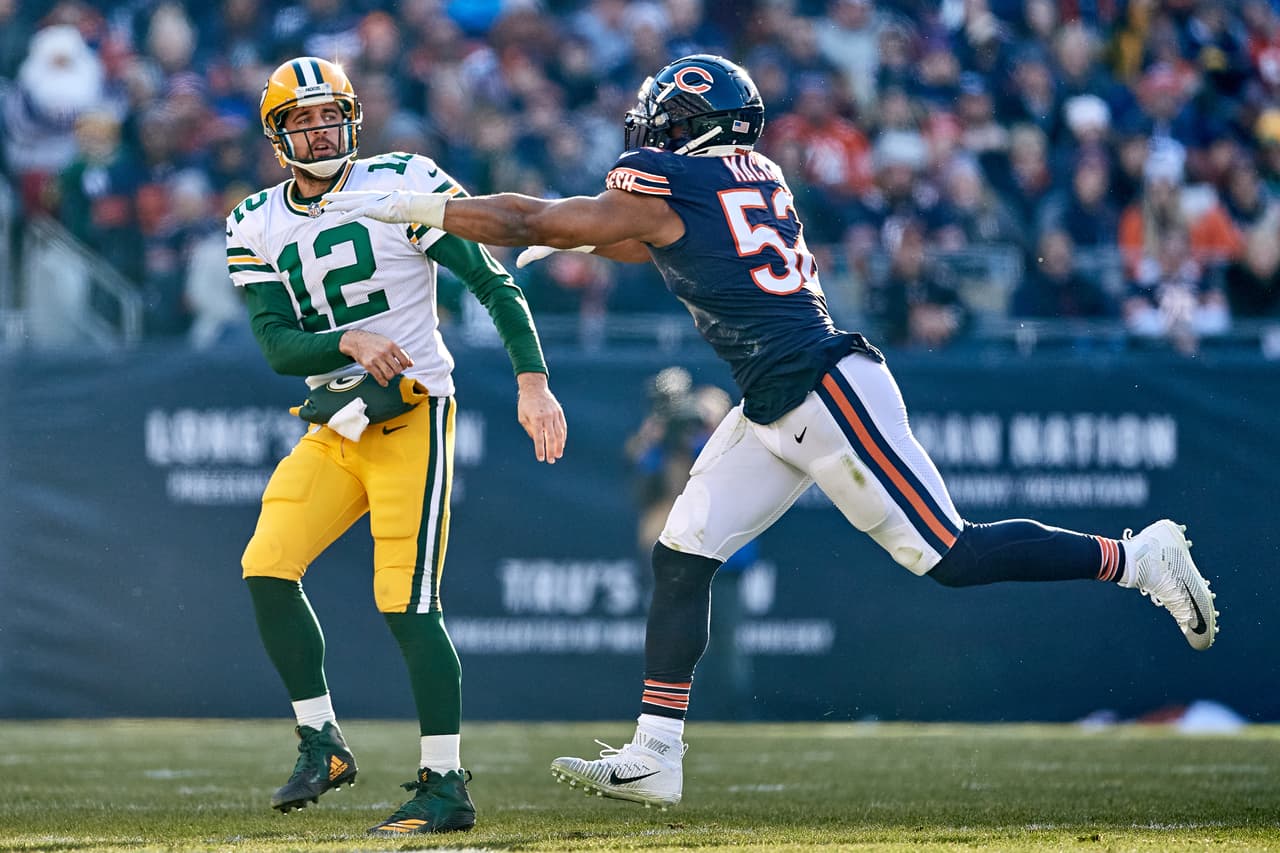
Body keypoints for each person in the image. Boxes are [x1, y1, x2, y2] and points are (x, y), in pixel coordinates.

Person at [322, 54, 1219, 810]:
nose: (649, 131)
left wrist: (421, 209)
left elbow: (529, 219)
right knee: (684, 550)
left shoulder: (672, 178)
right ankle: (656, 752)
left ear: (689, 125)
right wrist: (578, 239)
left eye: (663, 119)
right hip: (769, 401)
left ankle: (1137, 556)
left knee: (949, 551)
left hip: (828, 390)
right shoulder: (750, 175)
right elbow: (649, 238)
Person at [226, 57, 566, 836]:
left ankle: (446, 784)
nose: (319, 129)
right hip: (340, 420)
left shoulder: (401, 183)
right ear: (278, 133)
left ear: (351, 116)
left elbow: (491, 279)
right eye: (302, 119)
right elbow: (278, 345)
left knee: (407, 601)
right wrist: (347, 339)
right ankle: (323, 743)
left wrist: (531, 379)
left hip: (414, 412)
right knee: (267, 566)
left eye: (329, 113)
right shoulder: (253, 220)